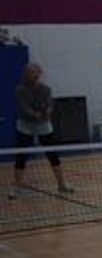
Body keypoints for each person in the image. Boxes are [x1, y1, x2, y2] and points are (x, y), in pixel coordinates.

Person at [10, 63, 73, 198]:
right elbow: (24, 107)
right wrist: (34, 114)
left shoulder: (46, 89)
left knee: (52, 154)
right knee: (21, 157)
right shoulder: (20, 90)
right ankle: (16, 187)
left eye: (36, 74)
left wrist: (48, 111)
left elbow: (50, 103)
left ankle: (62, 184)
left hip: (43, 124)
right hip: (25, 124)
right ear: (26, 74)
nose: (34, 76)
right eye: (31, 73)